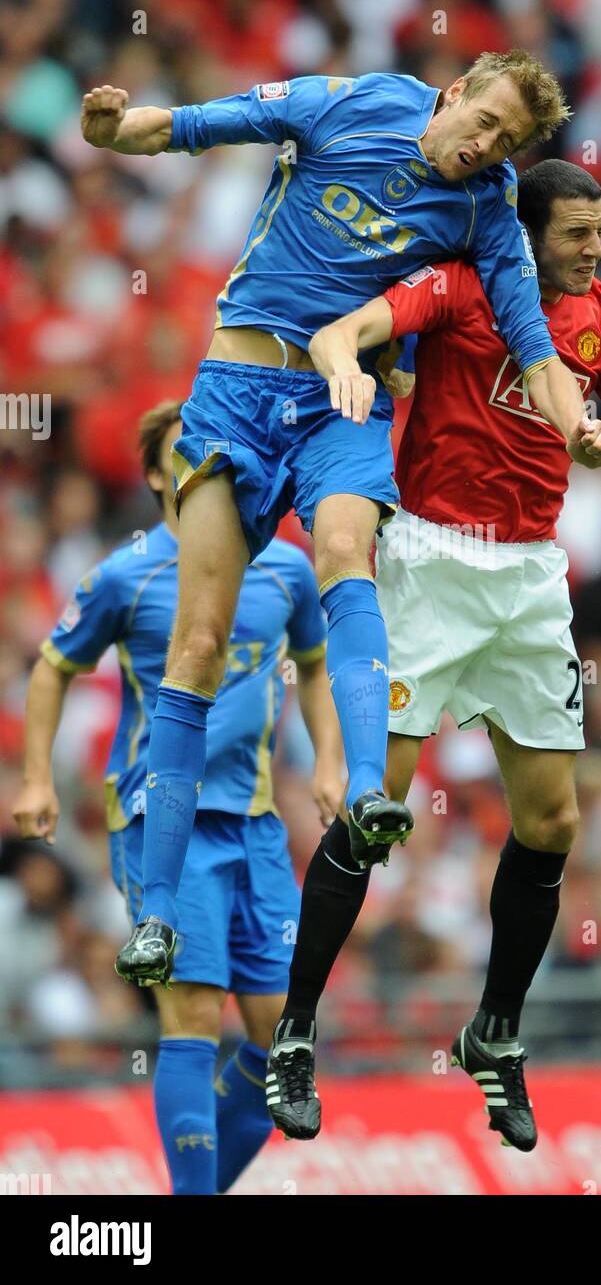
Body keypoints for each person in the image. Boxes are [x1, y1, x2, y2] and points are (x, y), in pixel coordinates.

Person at [266, 159, 601, 1149]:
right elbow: (356, 325)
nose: (593, 246)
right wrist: (340, 355)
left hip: (527, 580)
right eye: (574, 232)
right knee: (374, 811)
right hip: (430, 559)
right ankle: (295, 1032)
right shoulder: (462, 286)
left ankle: (492, 1032)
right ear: (526, 231)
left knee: (551, 820)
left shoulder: (600, 319)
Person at [80, 51, 599, 987]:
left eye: (508, 142)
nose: (486, 147)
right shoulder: (348, 103)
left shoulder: (490, 203)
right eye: (482, 121)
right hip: (237, 390)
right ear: (452, 94)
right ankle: (156, 912)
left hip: (341, 403)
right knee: (198, 643)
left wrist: (579, 425)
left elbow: (531, 341)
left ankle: (368, 789)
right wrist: (114, 131)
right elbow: (195, 123)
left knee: (345, 550)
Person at [12, 401, 343, 1195]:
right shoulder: (129, 573)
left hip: (258, 825)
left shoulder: (286, 569)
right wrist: (32, 776)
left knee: (281, 1047)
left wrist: (331, 758)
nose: (209, 467)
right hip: (165, 827)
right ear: (161, 476)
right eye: (186, 454)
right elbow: (55, 664)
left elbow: (318, 662)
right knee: (192, 1022)